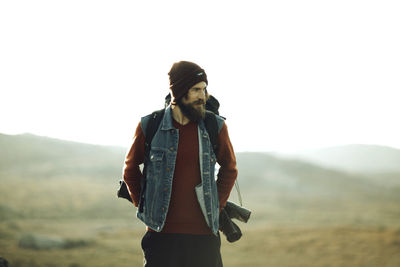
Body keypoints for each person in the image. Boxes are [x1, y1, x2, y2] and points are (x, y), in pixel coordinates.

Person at [122, 61, 238, 267]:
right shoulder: (150, 125)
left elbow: (230, 169)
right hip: (160, 236)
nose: (203, 96)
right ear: (179, 92)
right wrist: (146, 205)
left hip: (204, 237)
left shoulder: (215, 126)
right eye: (196, 90)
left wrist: (217, 204)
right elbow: (130, 170)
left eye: (204, 89)